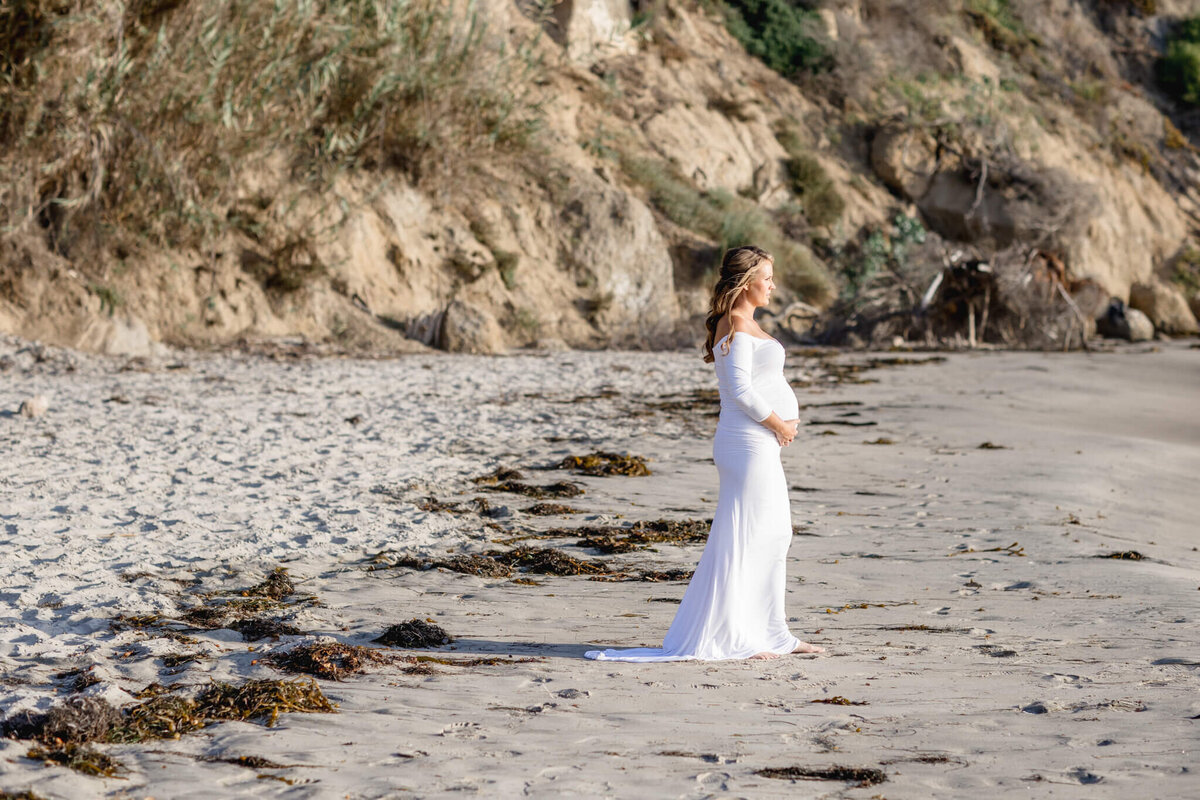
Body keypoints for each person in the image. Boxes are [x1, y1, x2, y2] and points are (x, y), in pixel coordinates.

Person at [586, 245, 824, 662]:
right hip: (745, 443)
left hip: (759, 443)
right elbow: (740, 390)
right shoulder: (733, 324)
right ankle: (738, 636)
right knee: (748, 535)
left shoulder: (745, 322)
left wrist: (778, 428)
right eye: (767, 277)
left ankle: (774, 631)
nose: (773, 285)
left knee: (774, 533)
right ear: (746, 281)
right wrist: (780, 424)